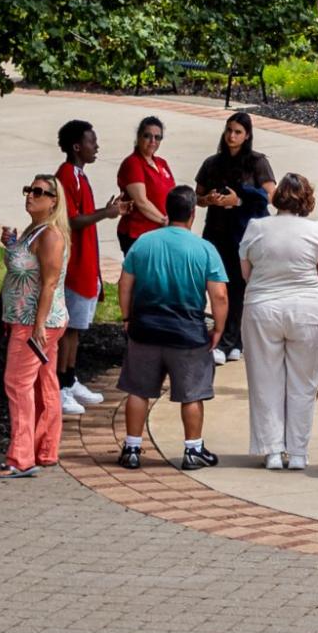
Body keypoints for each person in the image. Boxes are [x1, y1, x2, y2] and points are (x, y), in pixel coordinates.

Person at [115, 185, 228, 472]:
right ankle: (192, 450)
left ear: (166, 210)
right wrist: (218, 330)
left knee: (138, 391)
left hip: (145, 330)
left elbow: (124, 284)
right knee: (192, 394)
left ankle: (131, 447)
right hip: (188, 335)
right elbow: (219, 296)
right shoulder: (205, 249)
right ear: (193, 213)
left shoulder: (143, 243)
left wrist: (127, 318)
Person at [238, 173, 318, 470]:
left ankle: (272, 451)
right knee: (304, 383)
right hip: (305, 307)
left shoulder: (256, 227)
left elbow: (246, 273)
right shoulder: (316, 231)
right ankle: (299, 452)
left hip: (262, 307)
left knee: (265, 380)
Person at [0, 175, 70, 478]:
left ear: (53, 201)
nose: (31, 195)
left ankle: (20, 458)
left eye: (39, 192)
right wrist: (11, 245)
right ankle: (46, 449)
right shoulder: (33, 232)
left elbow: (49, 284)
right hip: (35, 322)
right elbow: (26, 269)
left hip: (33, 325)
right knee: (43, 382)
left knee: (17, 384)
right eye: (29, 189)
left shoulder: (50, 236)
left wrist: (38, 325)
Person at [53, 119, 127, 417]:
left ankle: (70, 379)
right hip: (75, 265)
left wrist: (105, 213)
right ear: (76, 146)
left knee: (77, 329)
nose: (96, 147)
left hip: (86, 264)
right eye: (91, 142)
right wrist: (106, 214)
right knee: (68, 328)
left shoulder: (78, 175)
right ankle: (59, 386)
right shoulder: (66, 176)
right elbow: (70, 219)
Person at [194, 110, 275, 364]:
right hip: (217, 230)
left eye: (238, 132)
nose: (232, 136)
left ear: (247, 135)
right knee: (219, 284)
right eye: (229, 130)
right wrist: (208, 200)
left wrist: (238, 200)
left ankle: (233, 340)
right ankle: (229, 338)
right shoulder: (212, 163)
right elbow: (196, 196)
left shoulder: (257, 162)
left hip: (245, 233)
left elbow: (270, 195)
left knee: (240, 287)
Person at [115, 115, 173, 255]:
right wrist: (166, 222)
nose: (153, 141)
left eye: (157, 137)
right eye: (147, 136)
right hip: (139, 234)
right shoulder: (133, 163)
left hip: (160, 232)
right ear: (139, 136)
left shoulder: (161, 163)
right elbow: (141, 201)